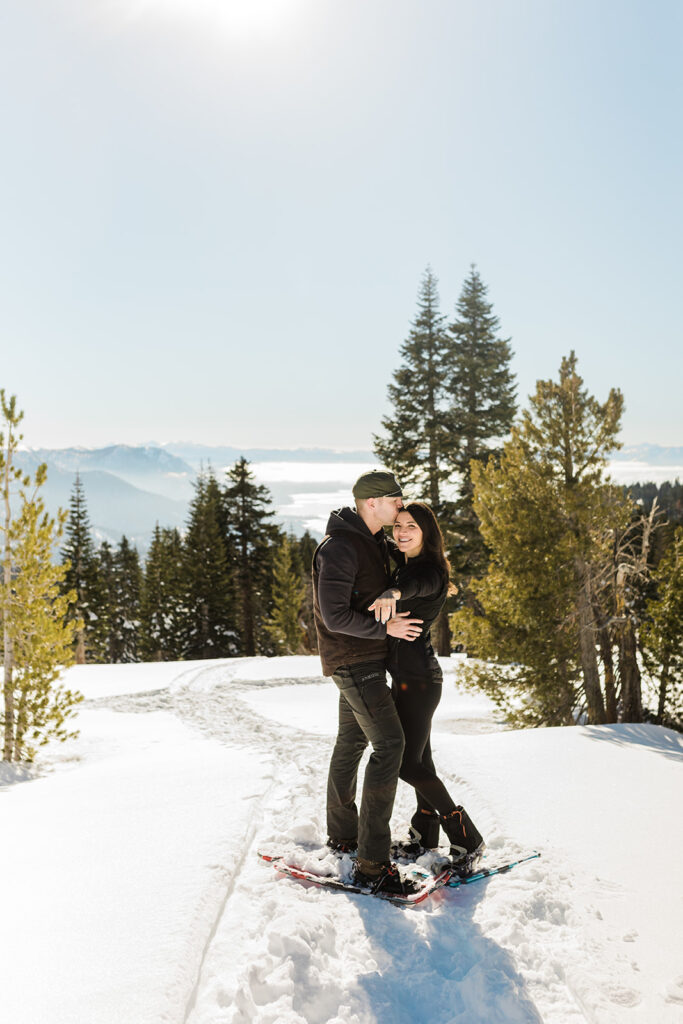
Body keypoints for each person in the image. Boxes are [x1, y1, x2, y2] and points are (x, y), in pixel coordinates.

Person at [312, 470, 424, 895]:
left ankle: (344, 836)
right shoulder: (340, 548)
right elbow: (333, 615)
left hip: (366, 658)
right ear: (370, 503)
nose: (401, 506)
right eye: (395, 500)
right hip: (355, 661)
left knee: (352, 742)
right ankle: (372, 865)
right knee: (390, 745)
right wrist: (387, 631)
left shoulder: (370, 542)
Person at [368, 501, 486, 875]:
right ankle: (424, 831)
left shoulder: (428, 570)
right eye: (398, 525)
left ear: (427, 533)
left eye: (411, 527)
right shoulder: (406, 562)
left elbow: (422, 584)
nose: (401, 532)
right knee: (423, 760)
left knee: (406, 763)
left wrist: (393, 595)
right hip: (410, 679)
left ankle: (466, 835)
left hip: (419, 681)